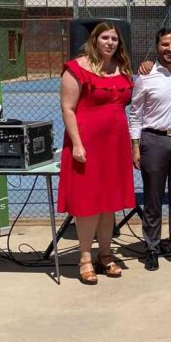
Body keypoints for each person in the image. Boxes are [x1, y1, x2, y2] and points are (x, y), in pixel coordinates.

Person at [59, 21, 135, 285]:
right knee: (88, 204)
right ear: (95, 40)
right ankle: (85, 257)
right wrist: (77, 144)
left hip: (115, 146)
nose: (110, 43)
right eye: (105, 38)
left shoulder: (123, 69)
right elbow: (68, 109)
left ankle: (105, 254)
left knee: (109, 203)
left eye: (114, 39)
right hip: (87, 145)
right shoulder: (76, 68)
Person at [129, 29, 171, 271]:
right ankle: (152, 247)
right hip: (152, 141)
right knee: (153, 198)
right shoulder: (145, 75)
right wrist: (135, 145)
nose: (170, 49)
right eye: (165, 44)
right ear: (157, 46)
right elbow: (135, 113)